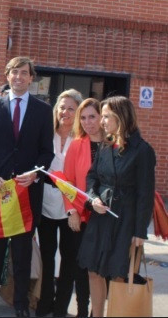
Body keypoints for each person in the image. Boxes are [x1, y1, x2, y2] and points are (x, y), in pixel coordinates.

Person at [0, 56, 54, 318]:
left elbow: (46, 153)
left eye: (24, 73)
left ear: (31, 78)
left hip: (26, 193)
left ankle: (20, 303)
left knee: (21, 253)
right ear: (8, 76)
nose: (18, 77)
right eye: (14, 72)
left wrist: (35, 173)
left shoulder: (43, 110)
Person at [78, 96, 155, 318]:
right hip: (101, 216)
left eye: (106, 116)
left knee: (118, 274)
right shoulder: (106, 144)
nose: (102, 121)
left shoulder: (143, 150)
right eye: (101, 116)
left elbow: (145, 194)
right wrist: (93, 199)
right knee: (93, 270)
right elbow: (92, 178)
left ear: (121, 117)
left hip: (125, 221)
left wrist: (140, 232)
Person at [36, 89, 83, 317]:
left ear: (78, 111)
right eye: (62, 107)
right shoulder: (46, 133)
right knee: (47, 255)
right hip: (45, 201)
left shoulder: (81, 139)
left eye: (71, 108)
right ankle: (44, 301)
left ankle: (61, 306)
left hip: (71, 207)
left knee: (69, 257)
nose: (65, 112)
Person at [63, 98, 104, 317]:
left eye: (93, 116)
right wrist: (73, 211)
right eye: (84, 117)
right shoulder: (77, 145)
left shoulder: (114, 144)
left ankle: (98, 311)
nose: (88, 122)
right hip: (84, 216)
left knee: (102, 270)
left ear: (102, 117)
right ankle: (81, 310)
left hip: (107, 218)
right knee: (82, 268)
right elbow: (68, 182)